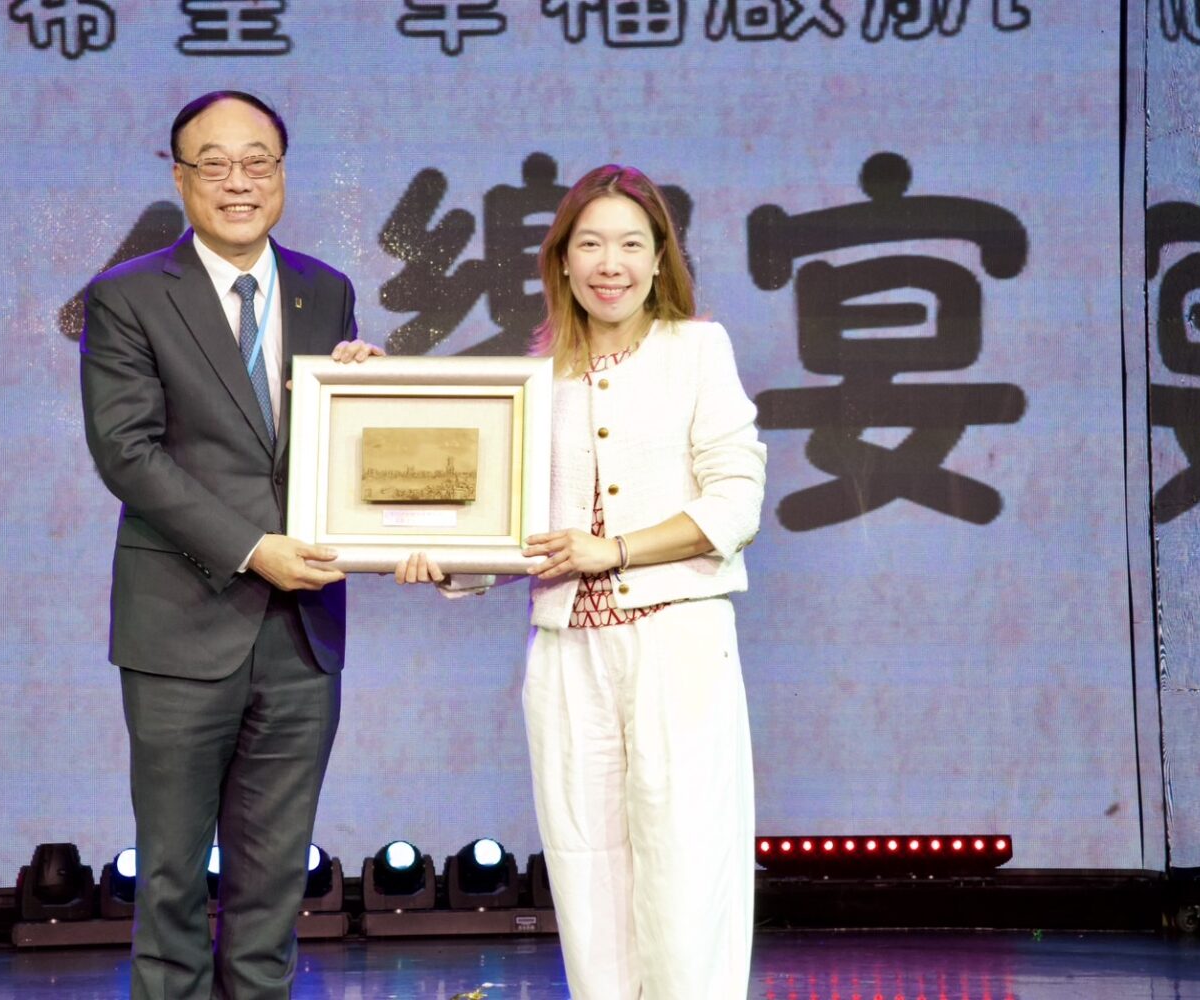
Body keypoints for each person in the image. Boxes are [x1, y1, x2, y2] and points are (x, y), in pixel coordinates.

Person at [397, 164, 766, 999]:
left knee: (686, 860)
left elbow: (736, 503)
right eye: (591, 244)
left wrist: (618, 549)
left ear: (660, 258)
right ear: (561, 261)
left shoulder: (696, 350)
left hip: (677, 640)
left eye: (631, 244)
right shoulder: (539, 378)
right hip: (566, 651)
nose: (611, 264)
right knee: (585, 865)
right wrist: (441, 558)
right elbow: (512, 527)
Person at [80, 91, 380, 1000]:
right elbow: (127, 453)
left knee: (274, 886)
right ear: (180, 178)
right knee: (171, 881)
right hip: (181, 623)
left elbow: (326, 448)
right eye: (213, 163)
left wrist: (370, 399)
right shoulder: (128, 295)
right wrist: (253, 548)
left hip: (302, 632)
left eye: (259, 161)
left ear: (282, 172)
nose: (238, 181)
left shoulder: (326, 290)